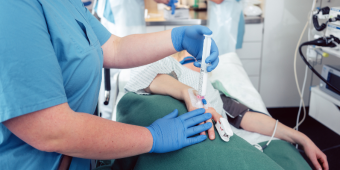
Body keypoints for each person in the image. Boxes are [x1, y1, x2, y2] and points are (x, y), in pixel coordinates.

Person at [0, 1, 219, 169]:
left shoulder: (65, 3)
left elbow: (114, 47)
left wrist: (177, 38)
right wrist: (152, 137)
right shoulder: (12, 9)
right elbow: (52, 130)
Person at [125, 50, 329, 170]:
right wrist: (188, 92)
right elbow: (147, 78)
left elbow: (246, 118)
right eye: (192, 58)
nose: (201, 63)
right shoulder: (170, 73)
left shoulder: (215, 92)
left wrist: (302, 138)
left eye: (204, 61)